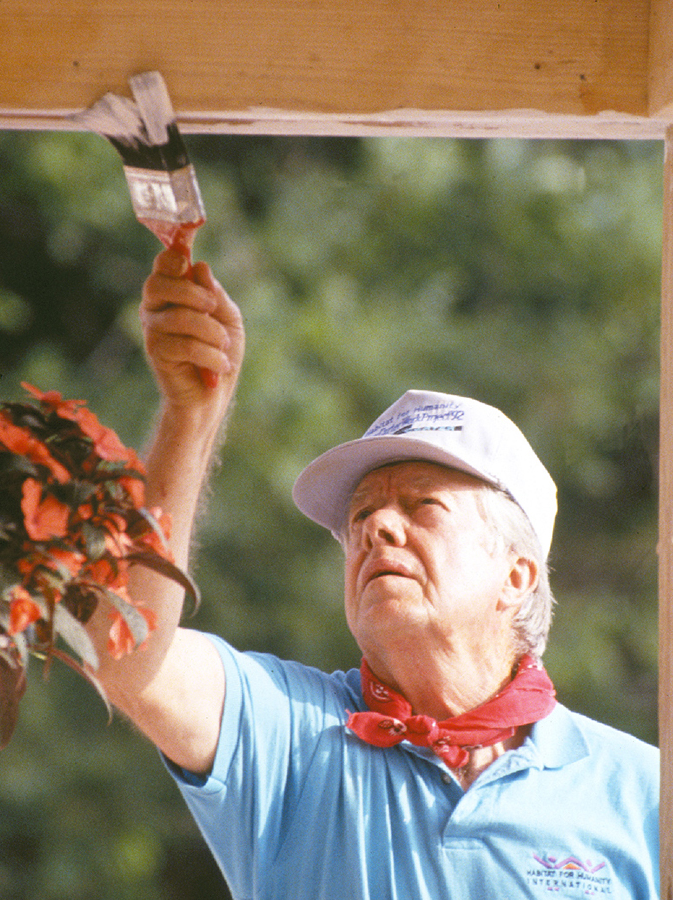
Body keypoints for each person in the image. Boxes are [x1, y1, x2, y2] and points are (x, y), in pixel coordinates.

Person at [89, 247, 660, 899]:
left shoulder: (644, 795)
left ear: (517, 575)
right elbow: (122, 648)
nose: (376, 528)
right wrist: (191, 417)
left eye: (423, 505)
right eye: (361, 515)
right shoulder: (287, 729)